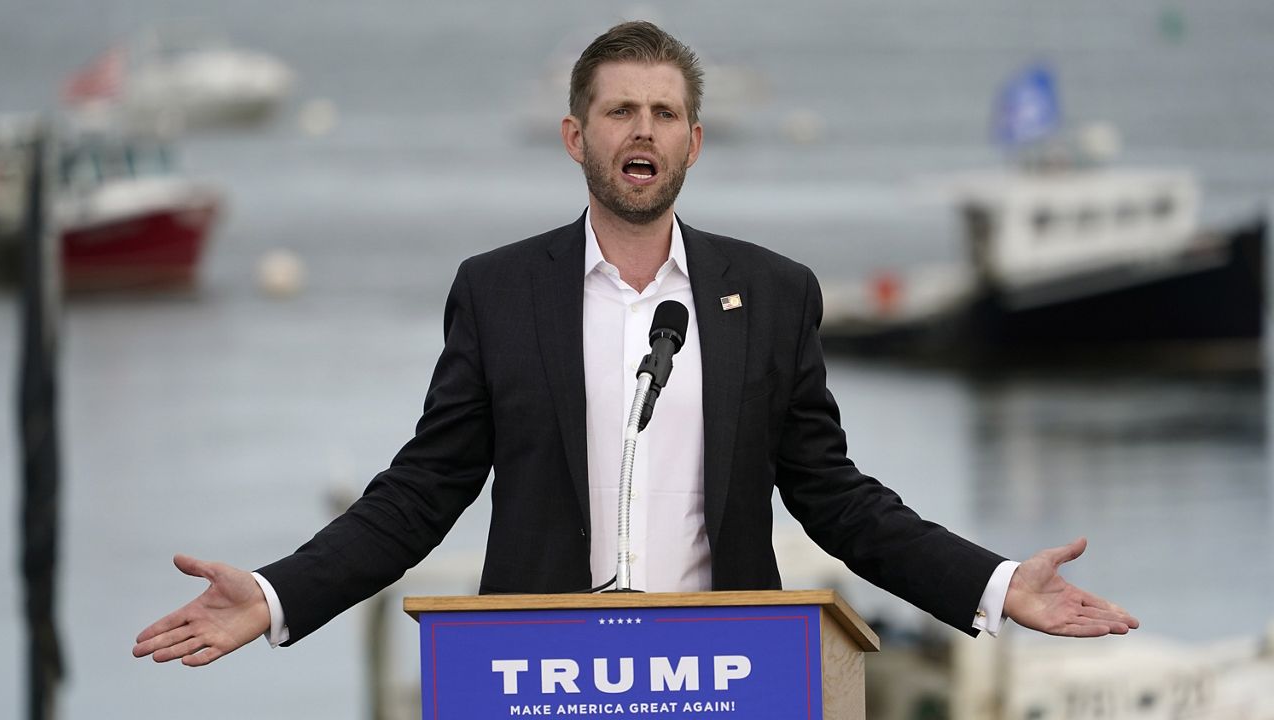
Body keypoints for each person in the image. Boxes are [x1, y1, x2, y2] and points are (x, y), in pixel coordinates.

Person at [133, 21, 1137, 668]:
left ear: (693, 141)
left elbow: (834, 497)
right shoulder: (497, 292)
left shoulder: (773, 293)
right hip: (535, 674)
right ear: (577, 137)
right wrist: (271, 596)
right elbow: (421, 491)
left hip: (719, 674)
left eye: (663, 112)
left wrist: (995, 585)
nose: (640, 130)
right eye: (619, 111)